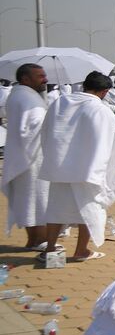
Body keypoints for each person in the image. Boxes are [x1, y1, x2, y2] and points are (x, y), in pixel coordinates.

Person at [39, 71, 115, 261]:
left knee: (56, 209)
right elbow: (112, 144)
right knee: (90, 210)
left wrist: (53, 158)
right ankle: (81, 250)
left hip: (59, 168)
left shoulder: (59, 103)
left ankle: (50, 249)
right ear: (104, 91)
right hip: (89, 170)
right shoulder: (101, 110)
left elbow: (45, 132)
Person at [2, 63, 50, 249]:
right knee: (38, 199)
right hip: (32, 158)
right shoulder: (27, 98)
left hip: (24, 156)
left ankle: (34, 239)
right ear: (25, 79)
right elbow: (36, 126)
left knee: (29, 199)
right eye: (40, 76)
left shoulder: (20, 94)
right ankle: (39, 240)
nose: (45, 79)